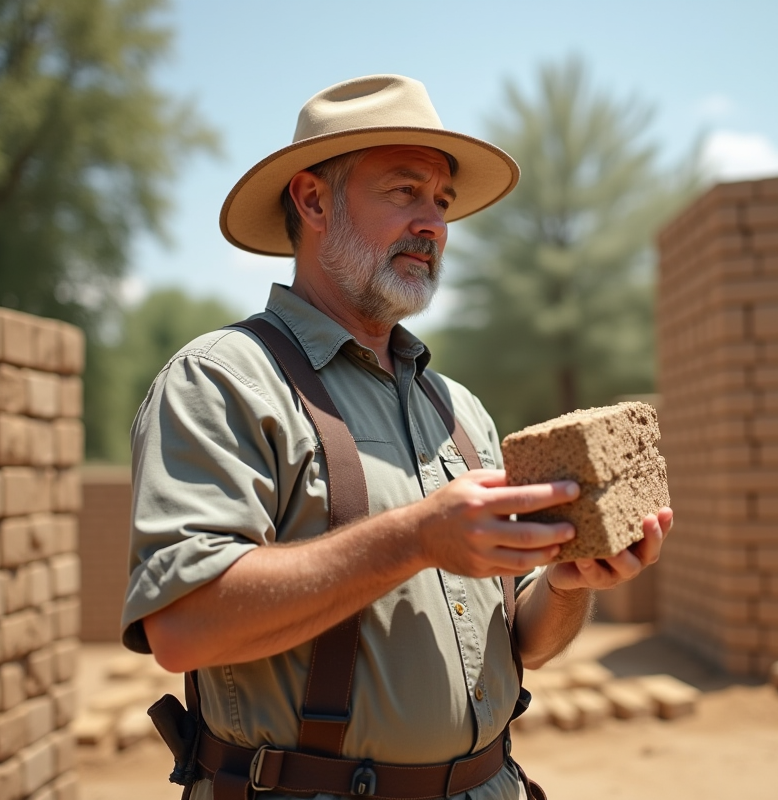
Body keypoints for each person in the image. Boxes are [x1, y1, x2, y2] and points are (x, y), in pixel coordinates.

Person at [121, 74, 673, 800]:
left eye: (441, 203)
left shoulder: (461, 409)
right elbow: (184, 628)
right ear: (313, 200)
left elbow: (522, 644)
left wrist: (569, 585)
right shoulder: (220, 382)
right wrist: (415, 538)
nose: (433, 224)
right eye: (405, 191)